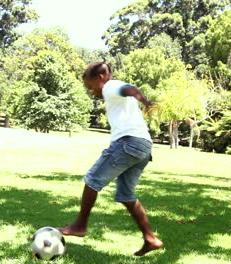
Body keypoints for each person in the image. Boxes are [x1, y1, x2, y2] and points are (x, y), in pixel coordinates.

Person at [58, 62, 164, 256]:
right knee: (126, 194)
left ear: (100, 77)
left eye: (90, 86)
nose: (91, 92)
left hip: (128, 143)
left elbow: (129, 89)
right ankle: (151, 238)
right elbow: (129, 90)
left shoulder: (110, 86)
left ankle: (80, 226)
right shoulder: (113, 92)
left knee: (92, 180)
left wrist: (146, 101)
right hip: (143, 146)